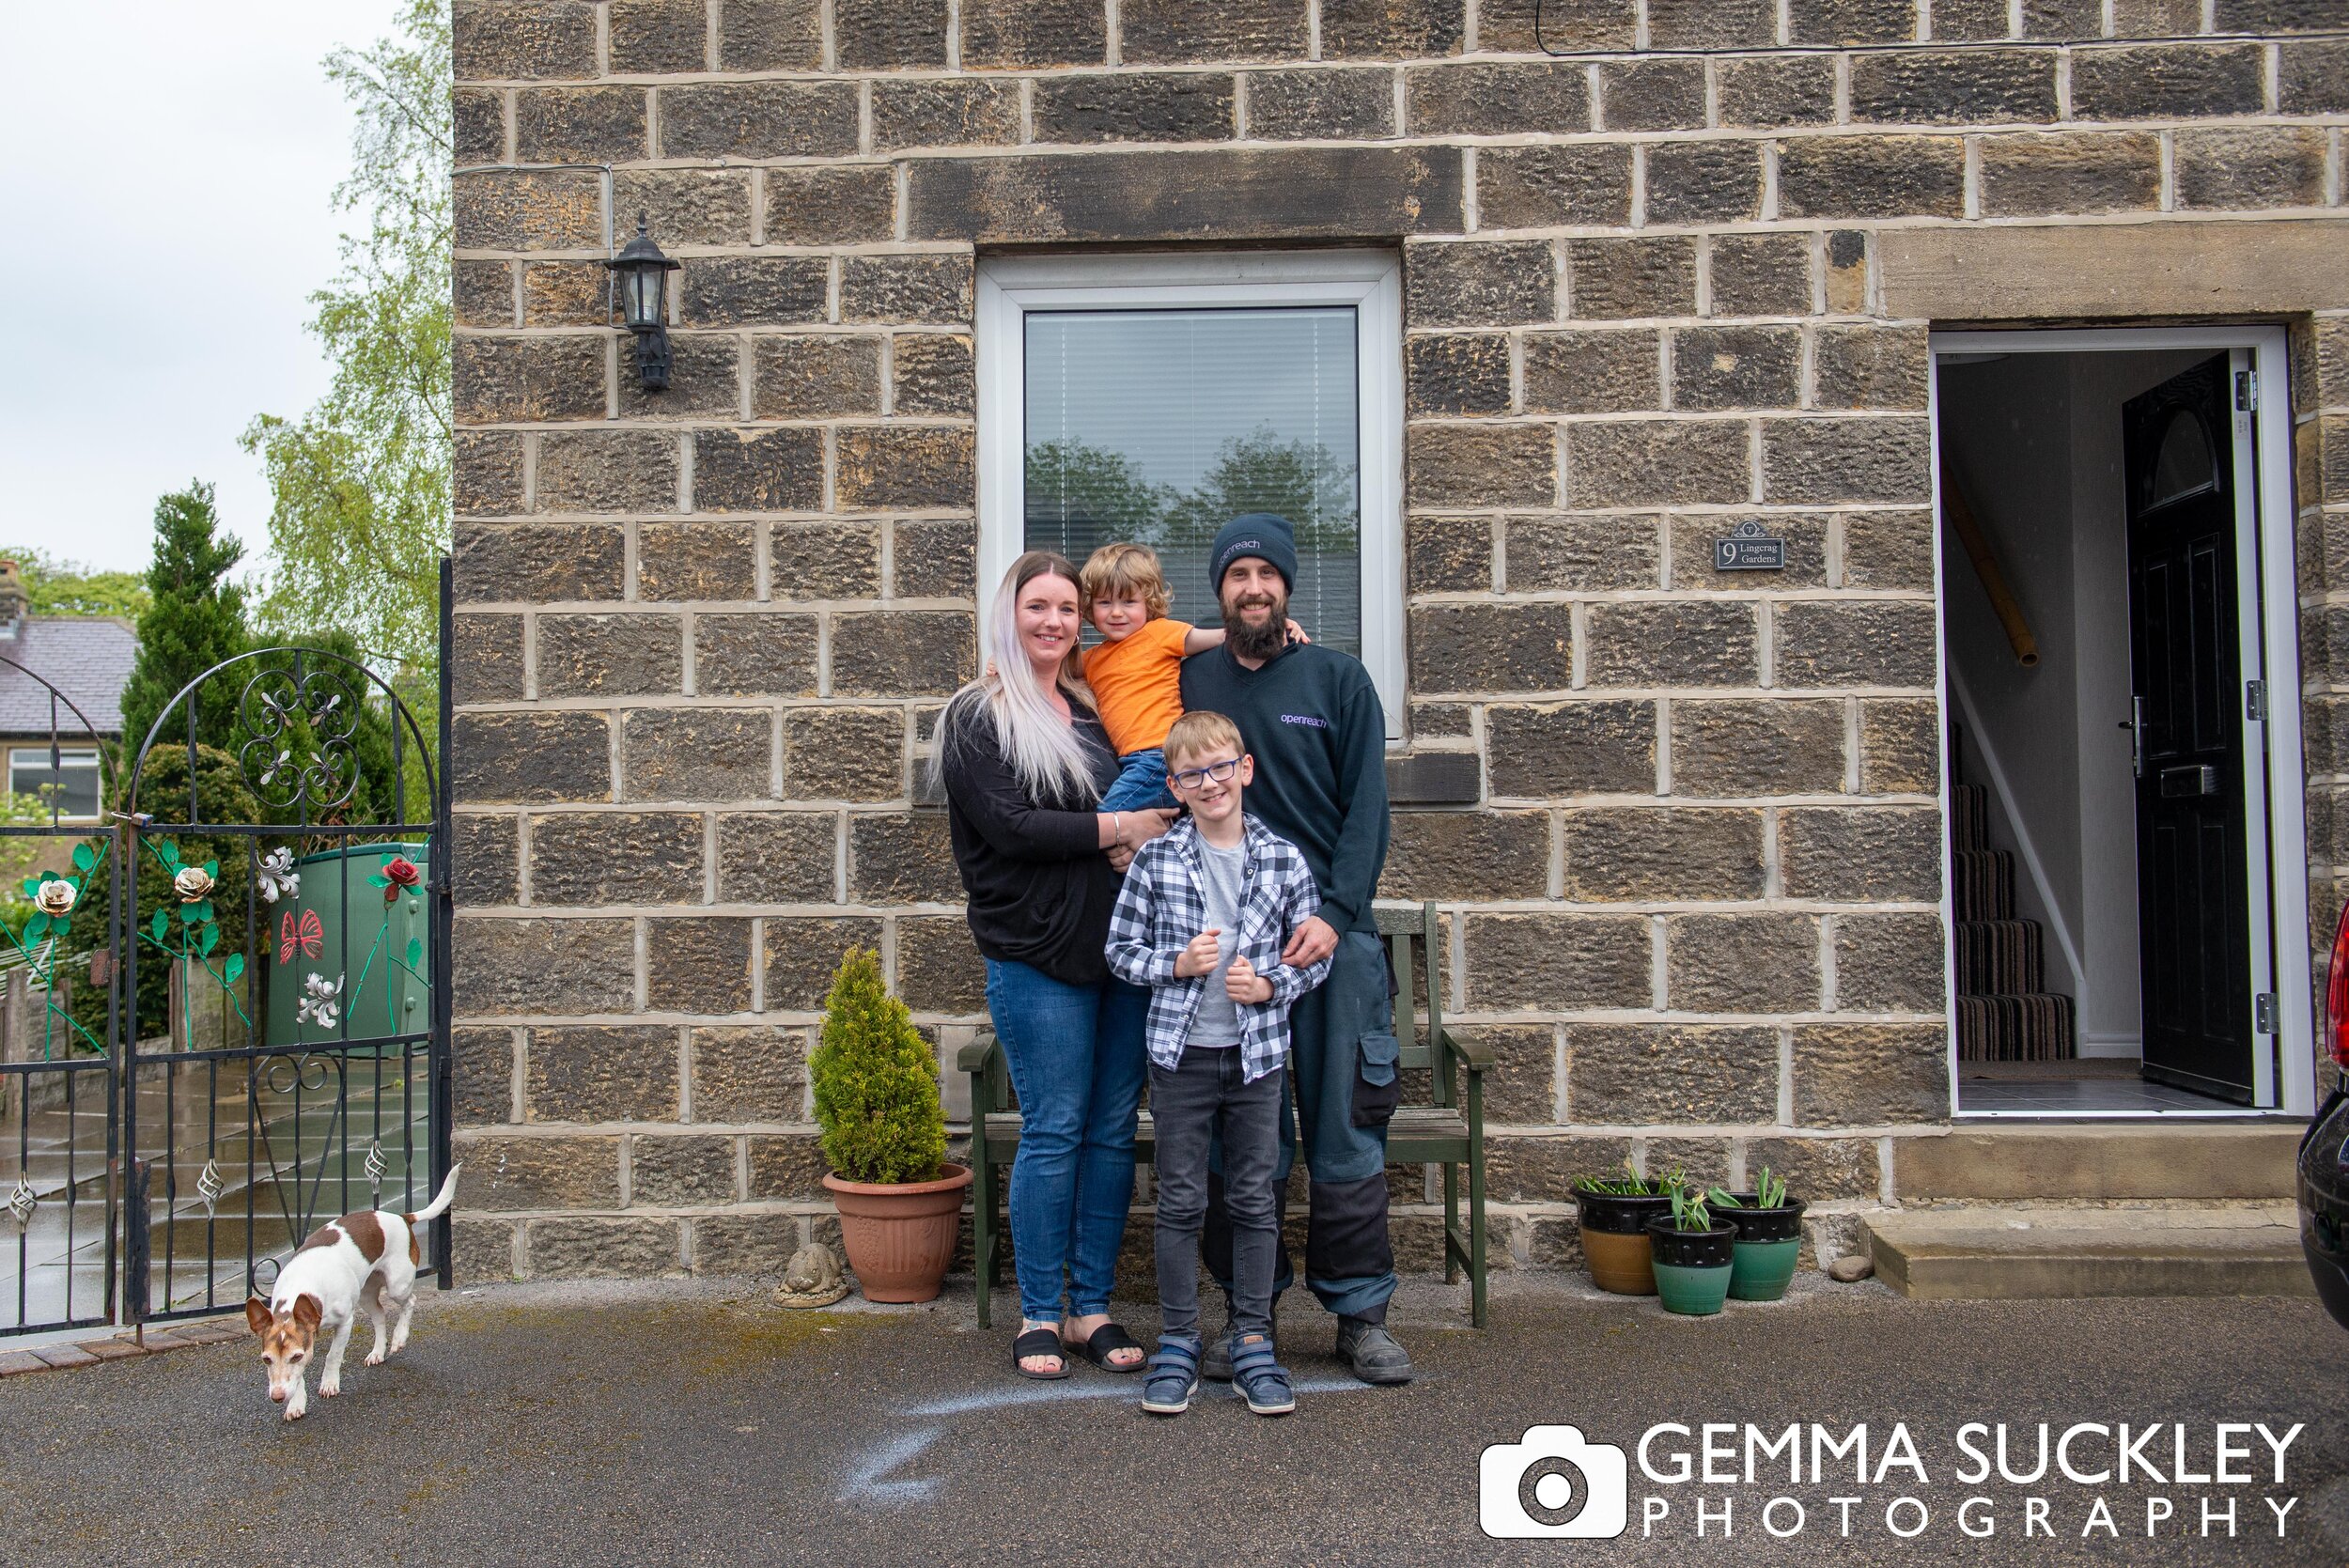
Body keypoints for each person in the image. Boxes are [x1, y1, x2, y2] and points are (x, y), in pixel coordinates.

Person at [1178, 512, 1414, 1387]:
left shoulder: (1339, 678)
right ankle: (1251, 1321)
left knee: (1346, 1130)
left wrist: (1339, 909)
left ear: (1287, 586)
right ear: (1220, 592)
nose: (1252, 588)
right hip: (1234, 951)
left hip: (1331, 946)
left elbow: (1368, 812)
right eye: (1236, 575)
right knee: (1245, 1143)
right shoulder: (1192, 680)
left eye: (1266, 574)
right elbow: (1112, 676)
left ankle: (1362, 1316)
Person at [936, 550, 1175, 1380]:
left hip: (1119, 952)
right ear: (1010, 613)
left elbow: (1156, 784)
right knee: (1054, 1128)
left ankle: (1091, 1309)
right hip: (1036, 953)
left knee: (1111, 1131)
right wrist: (1122, 830)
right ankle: (1039, 1310)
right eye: (1039, 605)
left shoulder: (1089, 708)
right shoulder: (977, 716)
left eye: (1067, 609)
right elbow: (1014, 828)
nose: (1055, 621)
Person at [1103, 710, 1331, 1419]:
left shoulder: (1284, 859)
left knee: (1256, 1196)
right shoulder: (1157, 858)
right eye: (1193, 774)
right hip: (1182, 1056)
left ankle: (1255, 1336)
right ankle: (1177, 1339)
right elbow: (1119, 950)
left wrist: (1269, 986)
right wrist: (1176, 963)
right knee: (1180, 1198)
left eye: (1220, 767)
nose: (1210, 783)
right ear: (1175, 784)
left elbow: (1312, 960)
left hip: (1258, 1056)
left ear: (1245, 768)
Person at [1078, 542, 1305, 814]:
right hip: (1127, 762)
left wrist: (1276, 625)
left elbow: (1224, 636)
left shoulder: (1159, 633)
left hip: (1160, 757)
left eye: (1129, 602)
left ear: (1149, 603)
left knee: (1104, 819)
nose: (1116, 612)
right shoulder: (1090, 659)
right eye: (1105, 602)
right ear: (1090, 608)